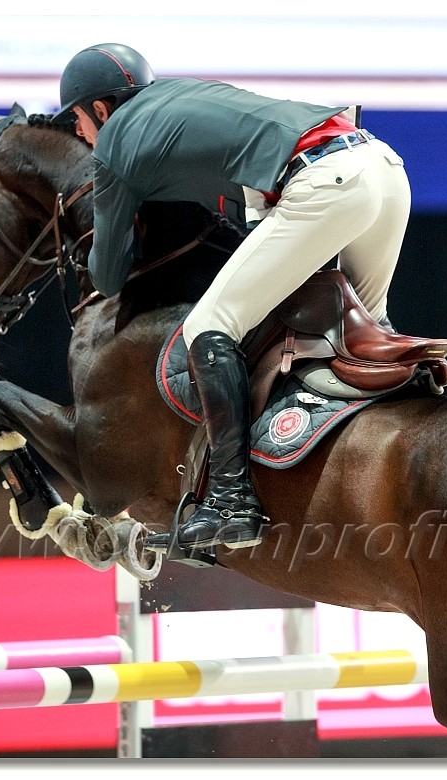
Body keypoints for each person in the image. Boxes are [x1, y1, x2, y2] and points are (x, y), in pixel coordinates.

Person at [58, 43, 413, 552]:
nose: (77, 131)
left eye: (77, 117)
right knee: (366, 332)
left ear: (100, 109)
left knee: (210, 326)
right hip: (380, 165)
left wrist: (91, 247)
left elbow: (109, 277)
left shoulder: (115, 141)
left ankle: (230, 499)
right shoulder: (184, 98)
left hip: (324, 182)